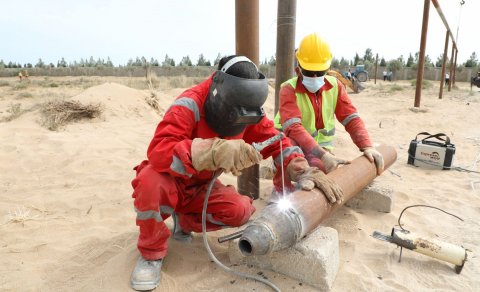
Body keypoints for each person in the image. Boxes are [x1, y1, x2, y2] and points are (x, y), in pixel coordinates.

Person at [129, 55, 344, 291]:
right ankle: (151, 255)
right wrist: (208, 152)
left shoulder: (249, 110)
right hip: (171, 181)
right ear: (218, 93)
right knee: (151, 182)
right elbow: (159, 151)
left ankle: (186, 220)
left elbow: (277, 141)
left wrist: (301, 167)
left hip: (200, 187)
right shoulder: (189, 104)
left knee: (240, 211)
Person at [274, 32, 384, 175]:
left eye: (319, 72)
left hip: (318, 147)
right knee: (291, 162)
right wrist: (323, 155)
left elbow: (351, 118)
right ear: (299, 68)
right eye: (309, 72)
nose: (314, 77)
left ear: (327, 68)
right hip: (289, 141)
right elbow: (294, 128)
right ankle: (281, 191)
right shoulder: (288, 89)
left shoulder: (335, 86)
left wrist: (367, 146)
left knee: (318, 168)